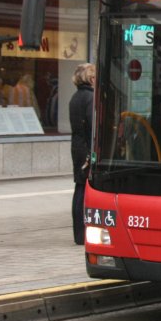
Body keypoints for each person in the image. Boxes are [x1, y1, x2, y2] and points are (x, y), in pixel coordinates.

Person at [69, 63, 95, 245]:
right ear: (91, 78)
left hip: (76, 146)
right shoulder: (91, 98)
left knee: (79, 186)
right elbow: (92, 127)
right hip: (87, 147)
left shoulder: (75, 97)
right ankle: (83, 232)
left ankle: (78, 232)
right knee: (85, 188)